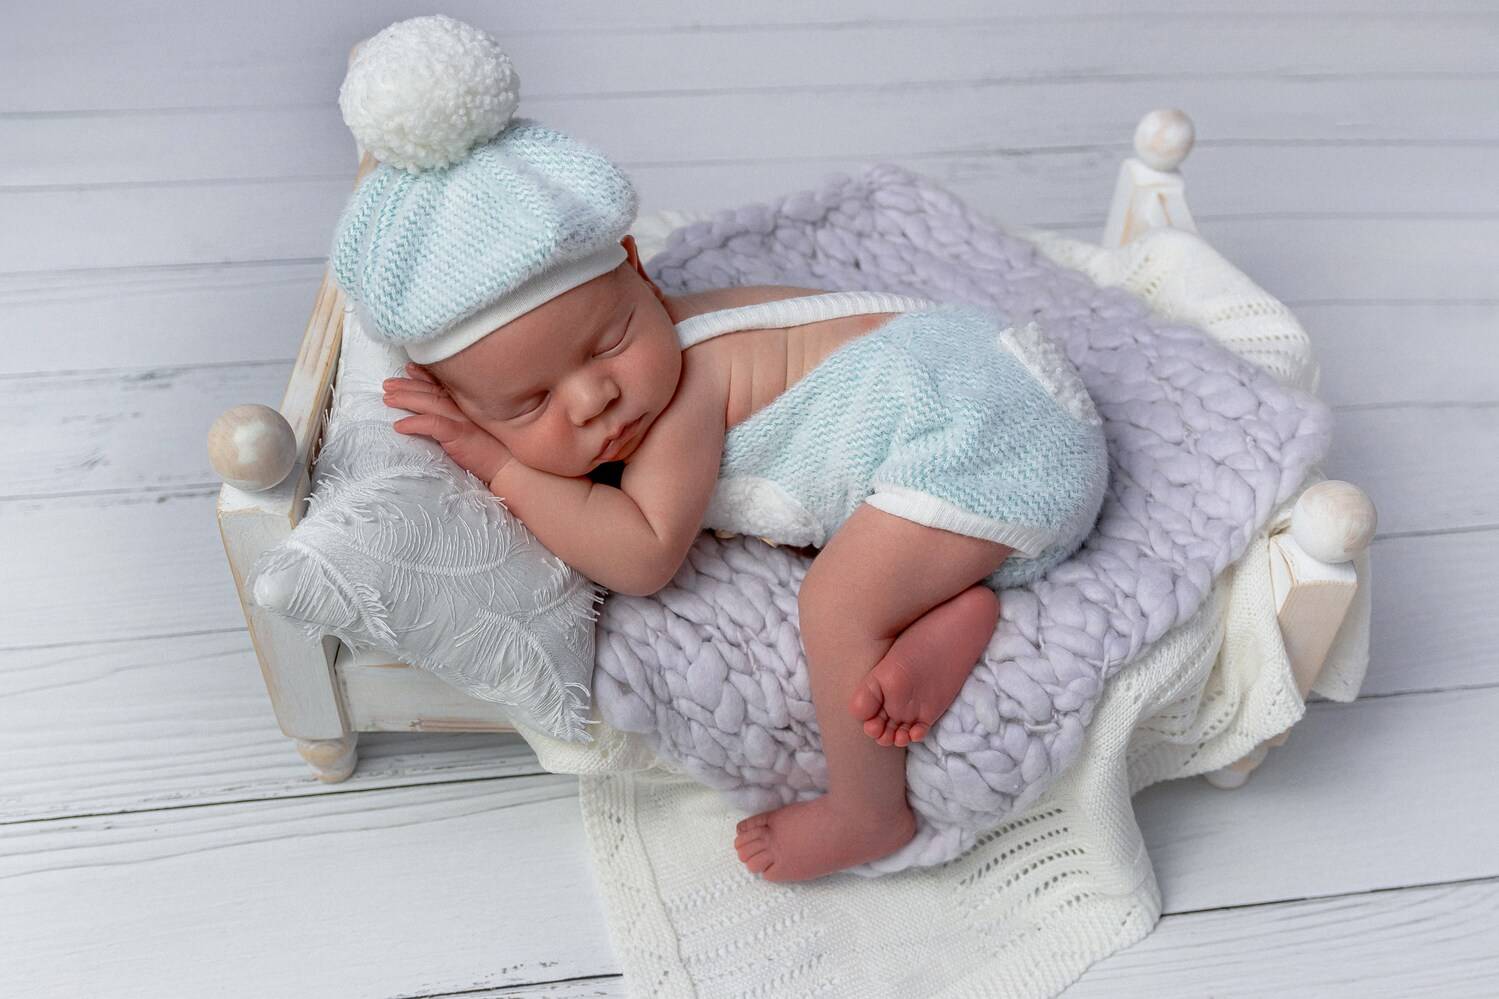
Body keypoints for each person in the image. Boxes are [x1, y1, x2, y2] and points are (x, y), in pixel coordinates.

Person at [334, 14, 1108, 882]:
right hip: (1002, 385)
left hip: (987, 440)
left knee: (836, 604)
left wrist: (502, 459)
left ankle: (868, 812)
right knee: (872, 557)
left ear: (637, 269)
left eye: (607, 344)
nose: (594, 399)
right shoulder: (675, 326)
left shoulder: (687, 394)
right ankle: (954, 604)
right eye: (533, 400)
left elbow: (641, 554)